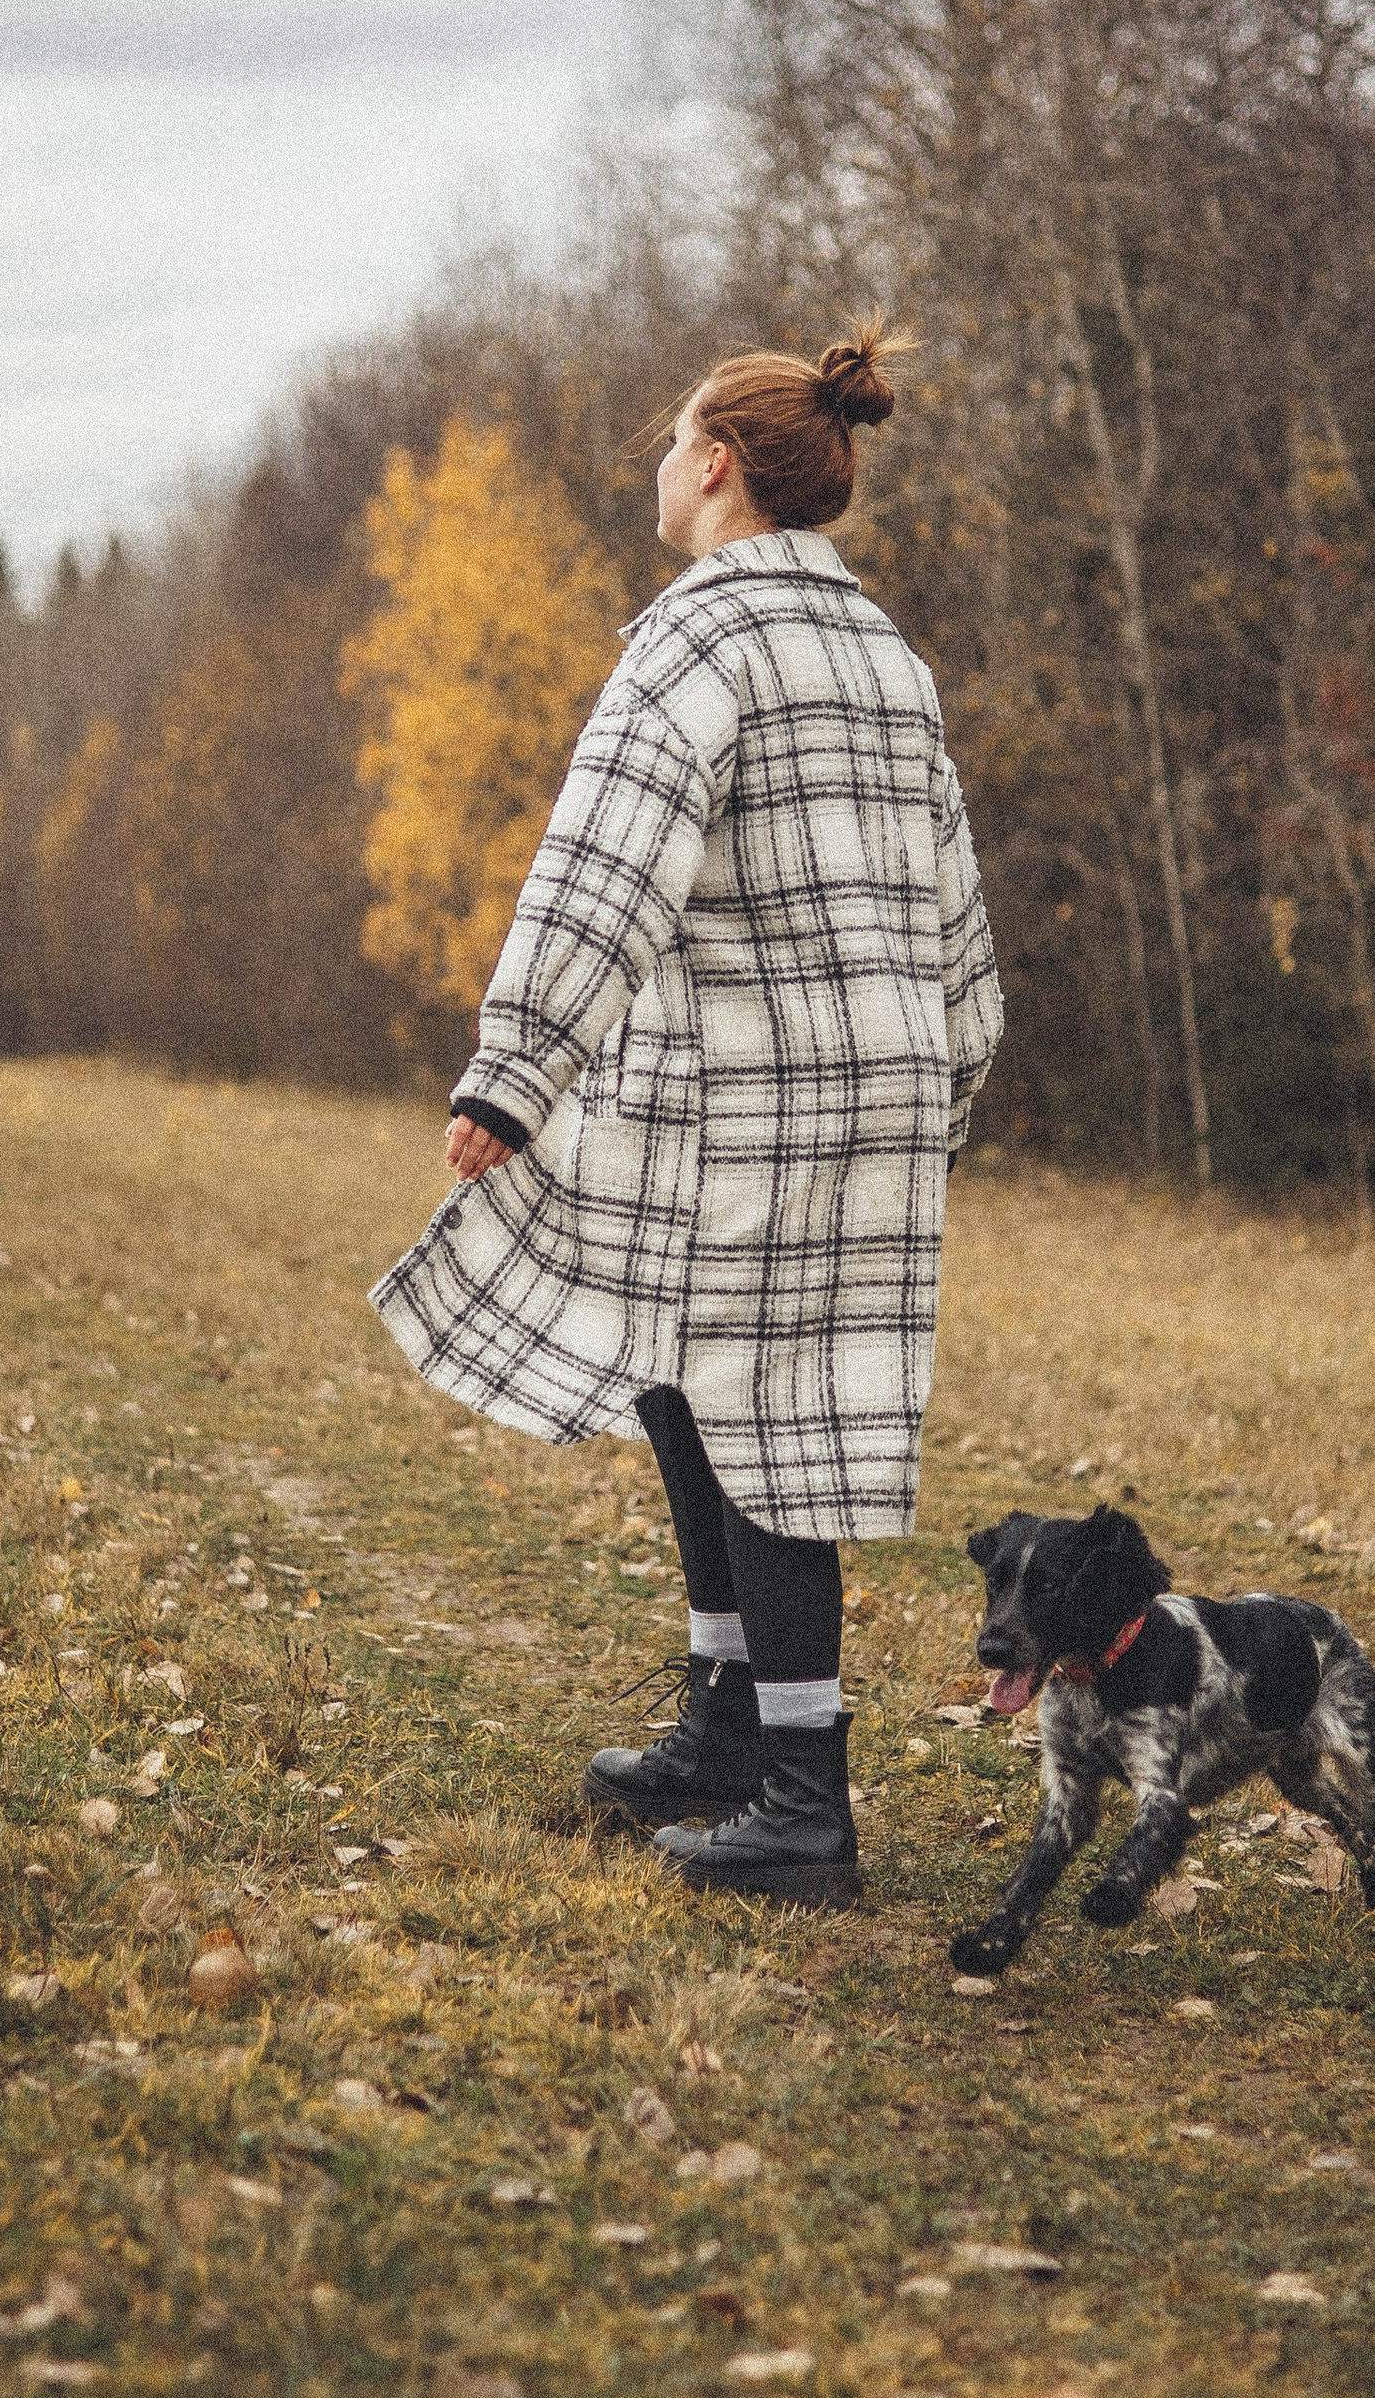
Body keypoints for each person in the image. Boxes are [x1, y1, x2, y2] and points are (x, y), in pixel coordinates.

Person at [369, 321, 1002, 1907]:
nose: (659, 465)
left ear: (717, 463)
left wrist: (512, 1073)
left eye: (671, 442)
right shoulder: (886, 656)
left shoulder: (695, 641)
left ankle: (803, 1799)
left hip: (746, 1101)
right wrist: (946, 1085)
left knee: (763, 1419)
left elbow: (599, 870)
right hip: (869, 1089)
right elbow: (961, 926)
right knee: (689, 1374)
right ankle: (728, 1731)